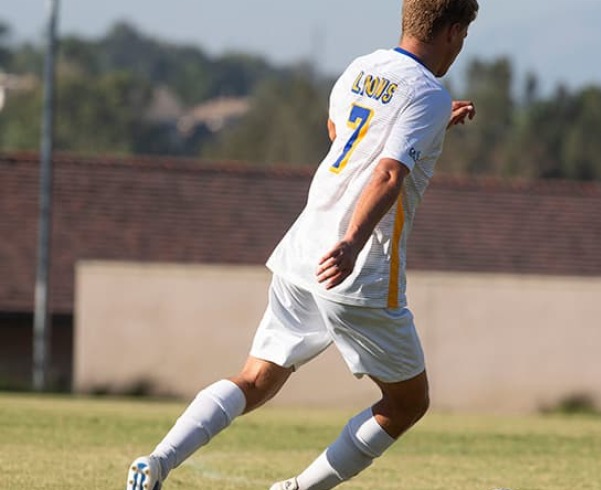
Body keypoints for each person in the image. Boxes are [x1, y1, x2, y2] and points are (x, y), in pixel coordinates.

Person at [125, 1, 479, 489]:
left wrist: (430, 125)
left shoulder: (362, 68)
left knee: (254, 379)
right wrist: (353, 241)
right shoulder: (429, 94)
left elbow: (341, 135)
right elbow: (388, 172)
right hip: (357, 270)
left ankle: (157, 461)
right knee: (407, 404)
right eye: (463, 37)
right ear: (454, 31)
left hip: (302, 250)